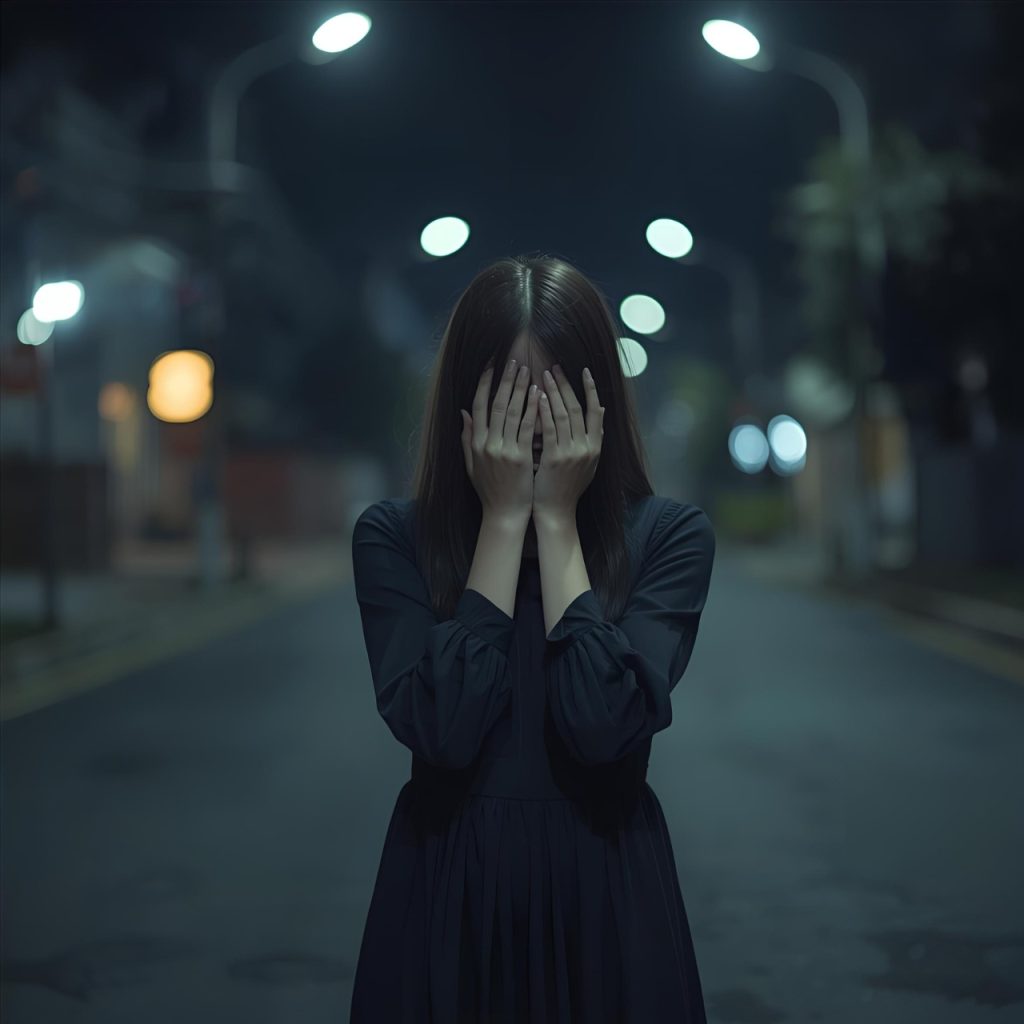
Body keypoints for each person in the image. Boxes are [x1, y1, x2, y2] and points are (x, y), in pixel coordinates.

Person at [349, 254, 716, 1023]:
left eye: (558, 391)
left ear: (599, 395)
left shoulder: (670, 536)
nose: (536, 423)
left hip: (605, 893)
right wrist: (504, 518)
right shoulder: (393, 537)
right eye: (511, 394)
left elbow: (603, 725)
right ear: (464, 400)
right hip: (449, 891)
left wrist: (554, 521)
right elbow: (442, 731)